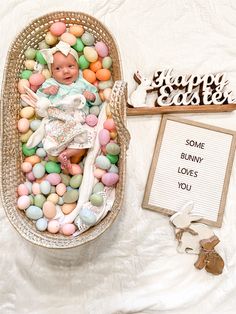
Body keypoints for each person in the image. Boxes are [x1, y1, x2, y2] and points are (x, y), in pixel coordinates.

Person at [35, 41, 100, 169]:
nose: (65, 72)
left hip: (79, 122)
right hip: (59, 120)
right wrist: (47, 91)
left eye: (70, 66)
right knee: (54, 136)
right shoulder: (50, 83)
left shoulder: (82, 83)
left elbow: (97, 100)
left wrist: (91, 96)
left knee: (88, 138)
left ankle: (66, 154)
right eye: (58, 69)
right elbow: (40, 100)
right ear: (52, 72)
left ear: (78, 67)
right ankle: (63, 152)